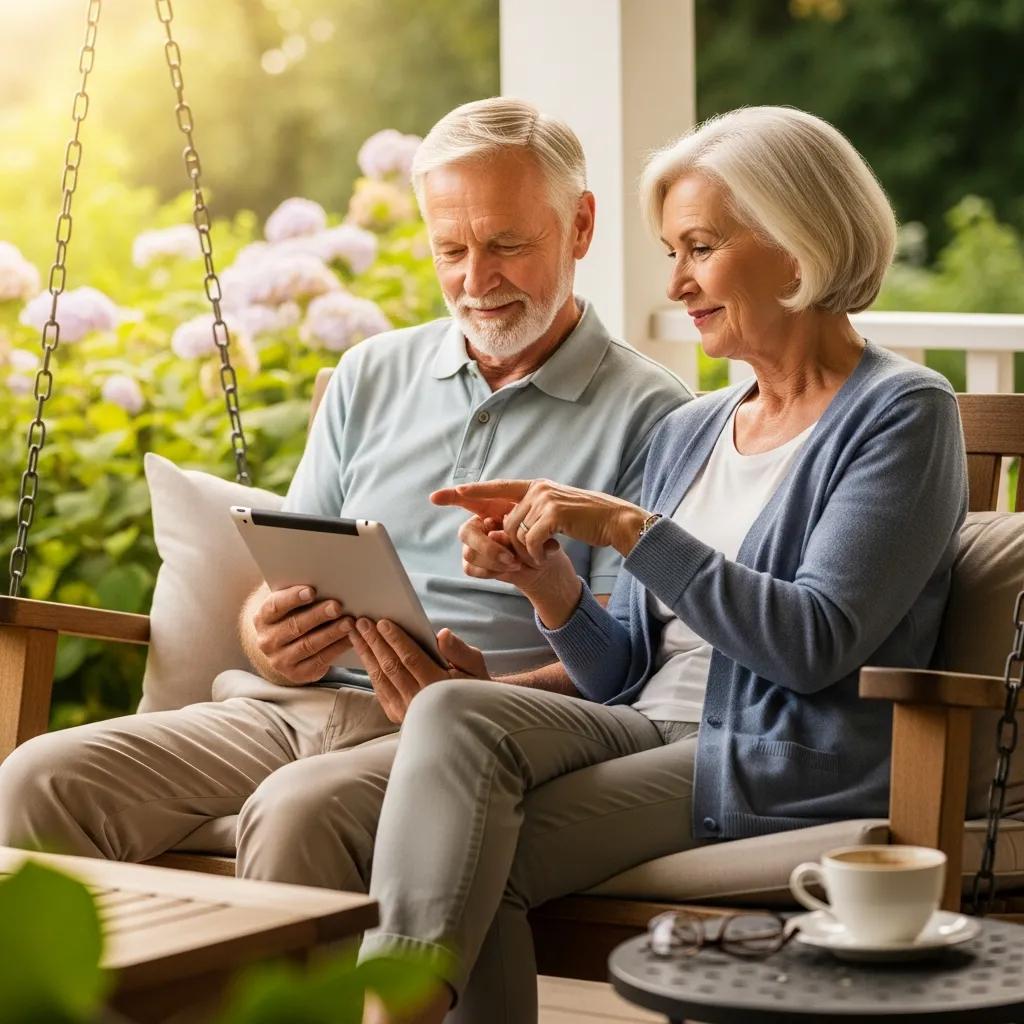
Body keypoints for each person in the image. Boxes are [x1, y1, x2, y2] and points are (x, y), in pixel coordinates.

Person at [353, 106, 968, 1024]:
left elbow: (813, 645)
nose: (676, 282)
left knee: (477, 858)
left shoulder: (903, 414)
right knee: (453, 711)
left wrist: (631, 529)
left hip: (769, 759)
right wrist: (547, 583)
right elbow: (621, 674)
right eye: (672, 251)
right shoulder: (694, 429)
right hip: (651, 731)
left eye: (699, 247)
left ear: (797, 245)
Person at [0, 99, 688, 896]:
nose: (475, 280)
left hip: (475, 734)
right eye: (451, 249)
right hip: (285, 709)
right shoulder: (371, 373)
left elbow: (634, 662)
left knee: (297, 816)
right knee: (36, 780)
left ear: (580, 227)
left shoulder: (656, 414)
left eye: (506, 244)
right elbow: (286, 573)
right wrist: (267, 632)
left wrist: (472, 702)